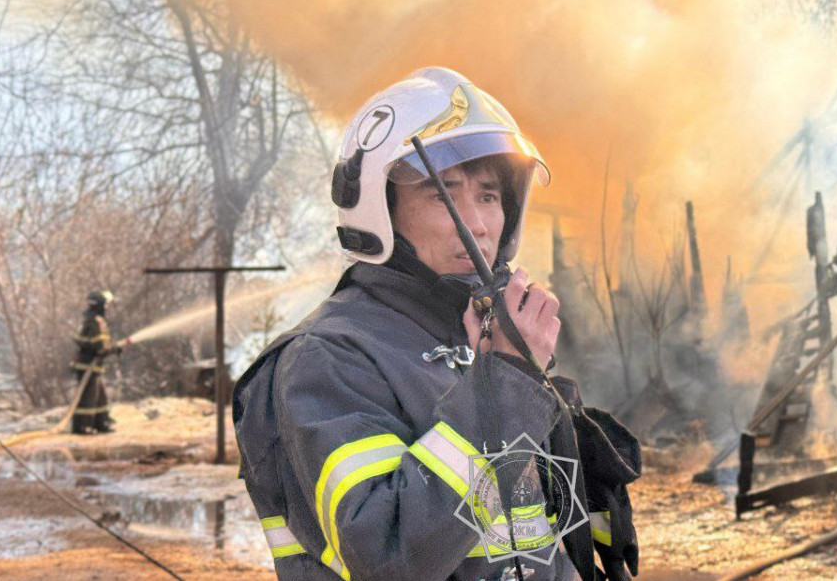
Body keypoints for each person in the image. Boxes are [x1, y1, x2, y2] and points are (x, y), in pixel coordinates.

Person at [233, 67, 640, 581]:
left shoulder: (480, 343)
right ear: (380, 211)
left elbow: (528, 539)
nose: (477, 223)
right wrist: (506, 389)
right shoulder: (326, 359)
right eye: (441, 192)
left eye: (489, 195)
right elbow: (389, 555)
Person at [70, 290, 121, 434]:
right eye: (106, 305)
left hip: (92, 366)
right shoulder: (95, 322)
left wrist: (112, 347)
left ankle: (101, 422)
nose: (107, 308)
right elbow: (99, 347)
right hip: (87, 366)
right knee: (88, 398)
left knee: (100, 397)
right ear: (100, 305)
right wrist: (113, 349)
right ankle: (82, 427)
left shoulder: (92, 319)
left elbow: (98, 345)